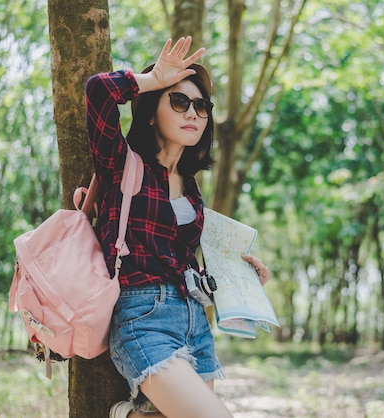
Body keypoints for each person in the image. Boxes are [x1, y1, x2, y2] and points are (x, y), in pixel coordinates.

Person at [85, 37, 271, 418]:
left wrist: (241, 278)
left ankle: (135, 414)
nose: (193, 113)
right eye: (180, 101)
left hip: (194, 321)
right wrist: (152, 79)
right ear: (152, 112)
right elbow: (98, 91)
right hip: (142, 318)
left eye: (201, 106)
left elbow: (181, 260)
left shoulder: (190, 185)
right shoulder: (123, 164)